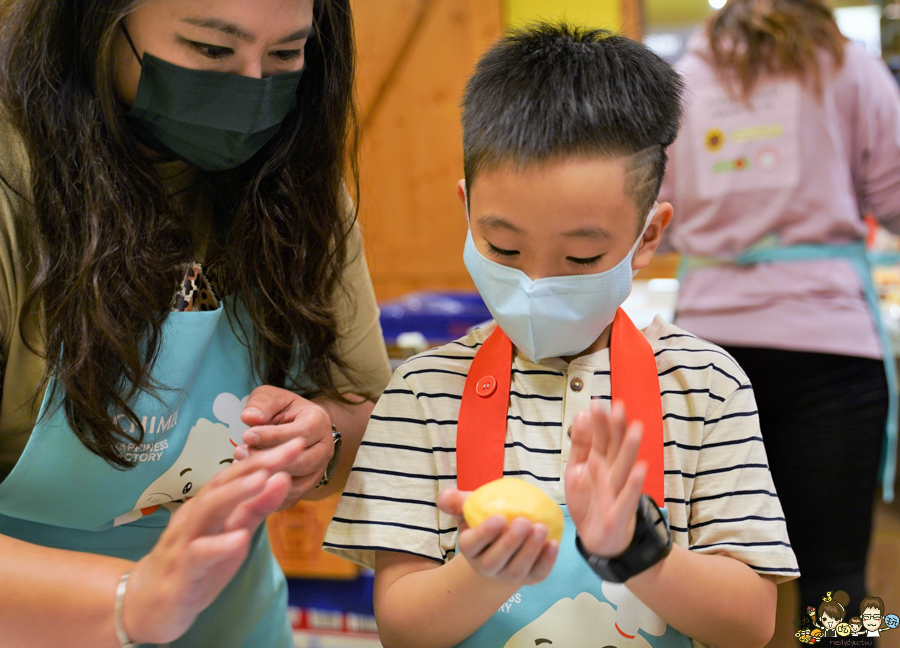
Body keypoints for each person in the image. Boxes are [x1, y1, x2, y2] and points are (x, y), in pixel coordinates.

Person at [324, 24, 798, 648]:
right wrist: (484, 574)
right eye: (504, 247)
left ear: (647, 239)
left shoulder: (704, 387)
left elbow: (751, 624)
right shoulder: (421, 394)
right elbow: (402, 627)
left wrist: (641, 553)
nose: (535, 282)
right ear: (467, 211)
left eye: (580, 259)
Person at [0, 0, 391, 646]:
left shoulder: (294, 177)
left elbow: (361, 417)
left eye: (285, 56)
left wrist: (320, 448)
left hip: (229, 623)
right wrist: (132, 601)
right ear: (95, 20)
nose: (251, 90)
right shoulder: (17, 181)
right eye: (211, 52)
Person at [659, 0, 900, 618]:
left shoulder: (682, 78)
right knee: (837, 575)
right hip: (831, 348)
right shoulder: (848, 66)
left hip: (705, 359)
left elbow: (651, 214)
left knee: (705, 568)